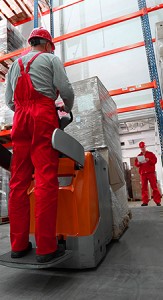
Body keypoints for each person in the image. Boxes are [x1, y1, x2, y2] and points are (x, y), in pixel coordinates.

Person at [5, 27, 74, 263]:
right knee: (45, 178)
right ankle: (46, 248)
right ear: (47, 45)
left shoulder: (15, 65)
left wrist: (22, 110)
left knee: (18, 182)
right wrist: (68, 107)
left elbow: (8, 101)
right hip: (43, 115)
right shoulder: (51, 59)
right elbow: (65, 90)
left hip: (20, 119)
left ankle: (18, 245)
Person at [135, 141, 161, 207]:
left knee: (154, 187)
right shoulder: (139, 156)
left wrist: (149, 160)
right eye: (141, 147)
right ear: (140, 148)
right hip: (143, 174)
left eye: (143, 147)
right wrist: (139, 163)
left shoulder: (151, 154)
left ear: (145, 146)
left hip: (151, 173)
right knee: (144, 188)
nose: (142, 148)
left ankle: (157, 201)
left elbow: (155, 161)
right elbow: (136, 164)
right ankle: (145, 202)